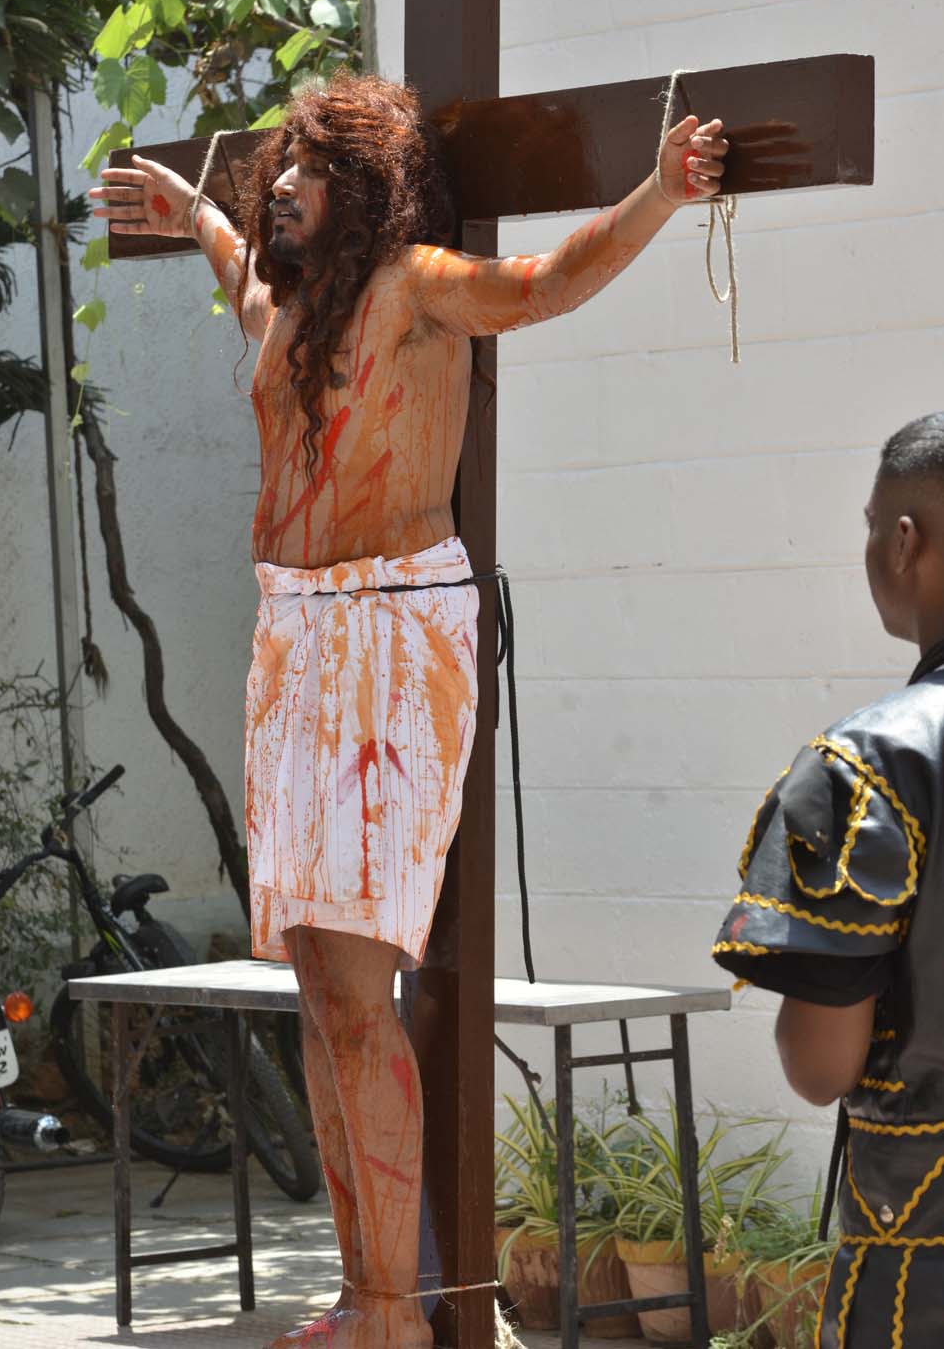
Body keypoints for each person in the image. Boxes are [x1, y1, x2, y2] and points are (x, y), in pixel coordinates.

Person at [90, 72, 728, 1349]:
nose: (281, 186)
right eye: (281, 166)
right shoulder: (289, 306)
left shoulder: (416, 287)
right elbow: (237, 269)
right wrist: (190, 210)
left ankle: (393, 1309)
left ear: (368, 189)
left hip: (391, 636)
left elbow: (543, 284)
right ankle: (362, 1293)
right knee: (321, 991)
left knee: (357, 984)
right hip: (293, 640)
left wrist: (659, 192)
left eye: (310, 170)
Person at [713, 411, 944, 1349]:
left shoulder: (871, 764)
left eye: (871, 526)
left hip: (922, 1252)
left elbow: (820, 1067)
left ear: (905, 543)